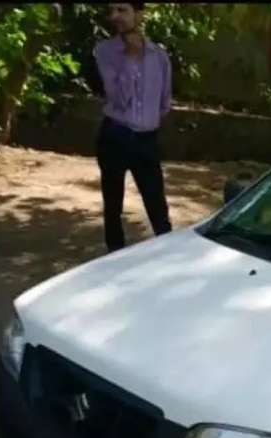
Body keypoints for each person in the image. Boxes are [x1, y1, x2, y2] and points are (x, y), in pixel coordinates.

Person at [94, 2, 173, 252]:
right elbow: (117, 98)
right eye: (112, 11)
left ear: (138, 14)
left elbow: (164, 101)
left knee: (157, 204)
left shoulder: (159, 57)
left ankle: (169, 254)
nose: (115, 16)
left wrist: (147, 123)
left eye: (122, 10)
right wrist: (129, 59)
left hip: (146, 140)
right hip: (115, 135)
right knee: (113, 203)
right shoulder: (105, 52)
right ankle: (114, 255)